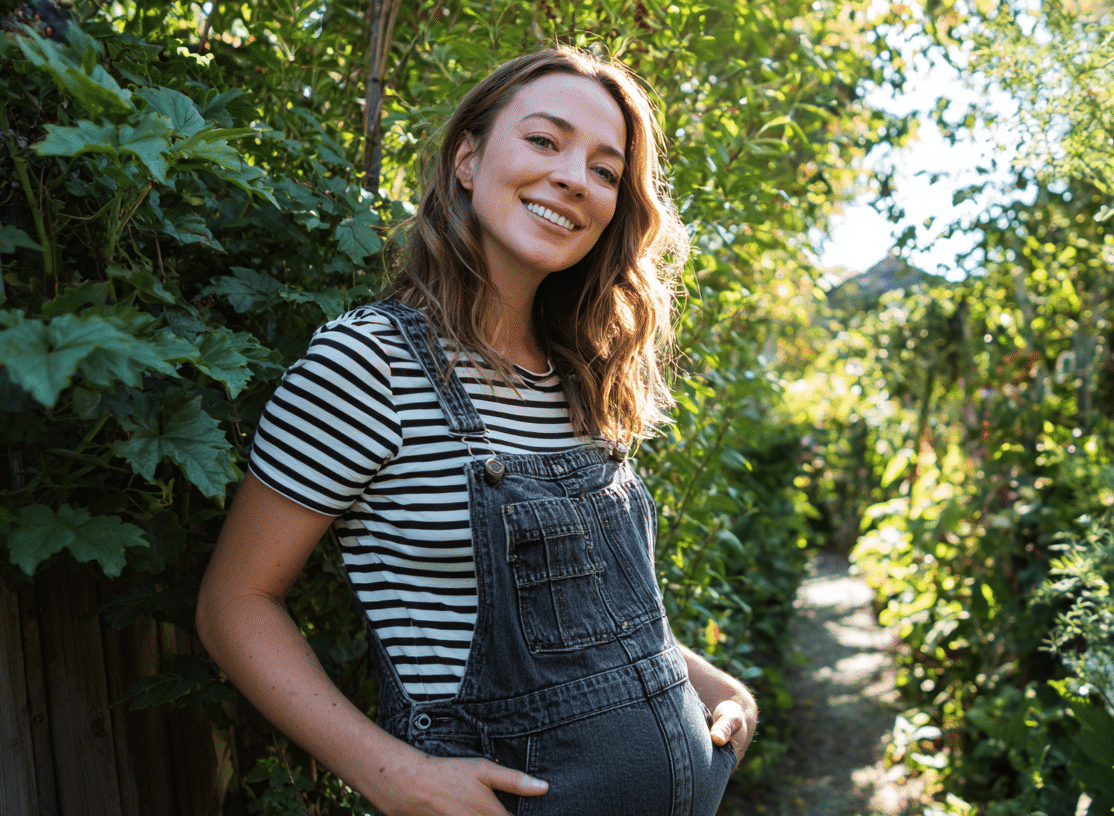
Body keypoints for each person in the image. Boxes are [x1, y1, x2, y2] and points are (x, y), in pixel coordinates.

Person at [196, 47, 757, 816]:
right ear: (467, 157)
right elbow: (235, 603)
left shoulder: (579, 377)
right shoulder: (370, 363)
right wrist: (394, 775)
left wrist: (711, 686)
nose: (571, 177)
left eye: (605, 169)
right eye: (544, 141)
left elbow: (589, 627)